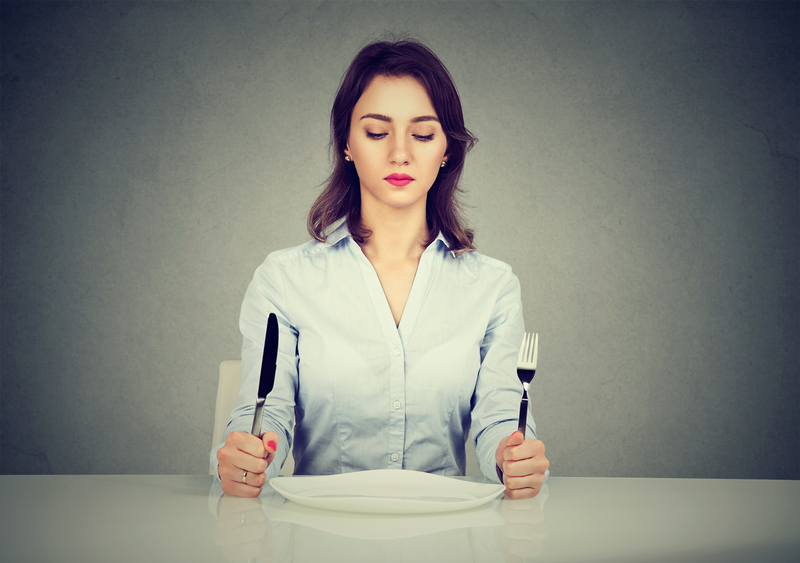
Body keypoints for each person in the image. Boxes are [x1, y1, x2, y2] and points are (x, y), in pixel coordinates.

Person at [211, 38, 549, 499]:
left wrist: (511, 457)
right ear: (347, 144)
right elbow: (265, 412)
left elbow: (500, 418)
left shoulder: (493, 286)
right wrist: (247, 456)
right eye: (376, 132)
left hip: (443, 526)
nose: (400, 153)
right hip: (317, 527)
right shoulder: (284, 280)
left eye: (423, 135)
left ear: (447, 150)